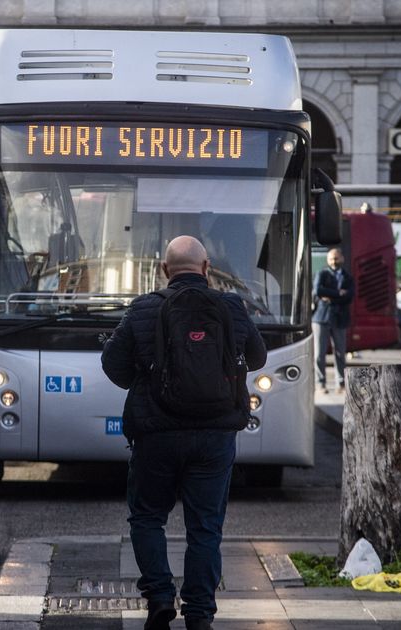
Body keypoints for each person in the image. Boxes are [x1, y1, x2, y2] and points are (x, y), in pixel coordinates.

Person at [101, 236, 267, 630]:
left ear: (164, 271)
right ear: (207, 269)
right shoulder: (230, 307)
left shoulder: (144, 309)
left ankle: (159, 596)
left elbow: (114, 367)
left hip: (156, 434)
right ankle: (199, 614)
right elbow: (257, 357)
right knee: (205, 527)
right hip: (215, 437)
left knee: (146, 517)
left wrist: (149, 377)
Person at [312, 248, 354, 393]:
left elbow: (349, 296)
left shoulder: (348, 277)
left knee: (340, 353)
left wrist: (330, 296)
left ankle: (341, 383)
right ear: (327, 260)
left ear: (342, 258)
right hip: (321, 318)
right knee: (319, 353)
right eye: (331, 259)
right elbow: (318, 291)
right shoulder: (322, 273)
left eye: (336, 258)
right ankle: (321, 382)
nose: (333, 261)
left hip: (340, 318)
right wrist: (338, 293)